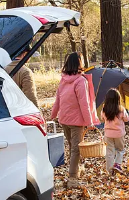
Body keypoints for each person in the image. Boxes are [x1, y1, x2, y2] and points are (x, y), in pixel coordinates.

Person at [51, 52, 99, 188]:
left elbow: (58, 100)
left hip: (64, 120)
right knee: (76, 150)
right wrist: (89, 122)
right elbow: (84, 103)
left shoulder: (64, 79)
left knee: (73, 147)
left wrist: (53, 115)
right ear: (79, 63)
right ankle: (72, 179)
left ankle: (78, 169)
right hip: (76, 122)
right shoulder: (80, 81)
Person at [101, 88, 129, 175]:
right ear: (118, 99)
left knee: (109, 152)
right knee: (120, 150)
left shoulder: (104, 109)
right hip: (119, 134)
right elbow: (127, 119)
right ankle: (117, 164)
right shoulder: (121, 109)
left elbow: (102, 118)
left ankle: (110, 170)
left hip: (108, 134)